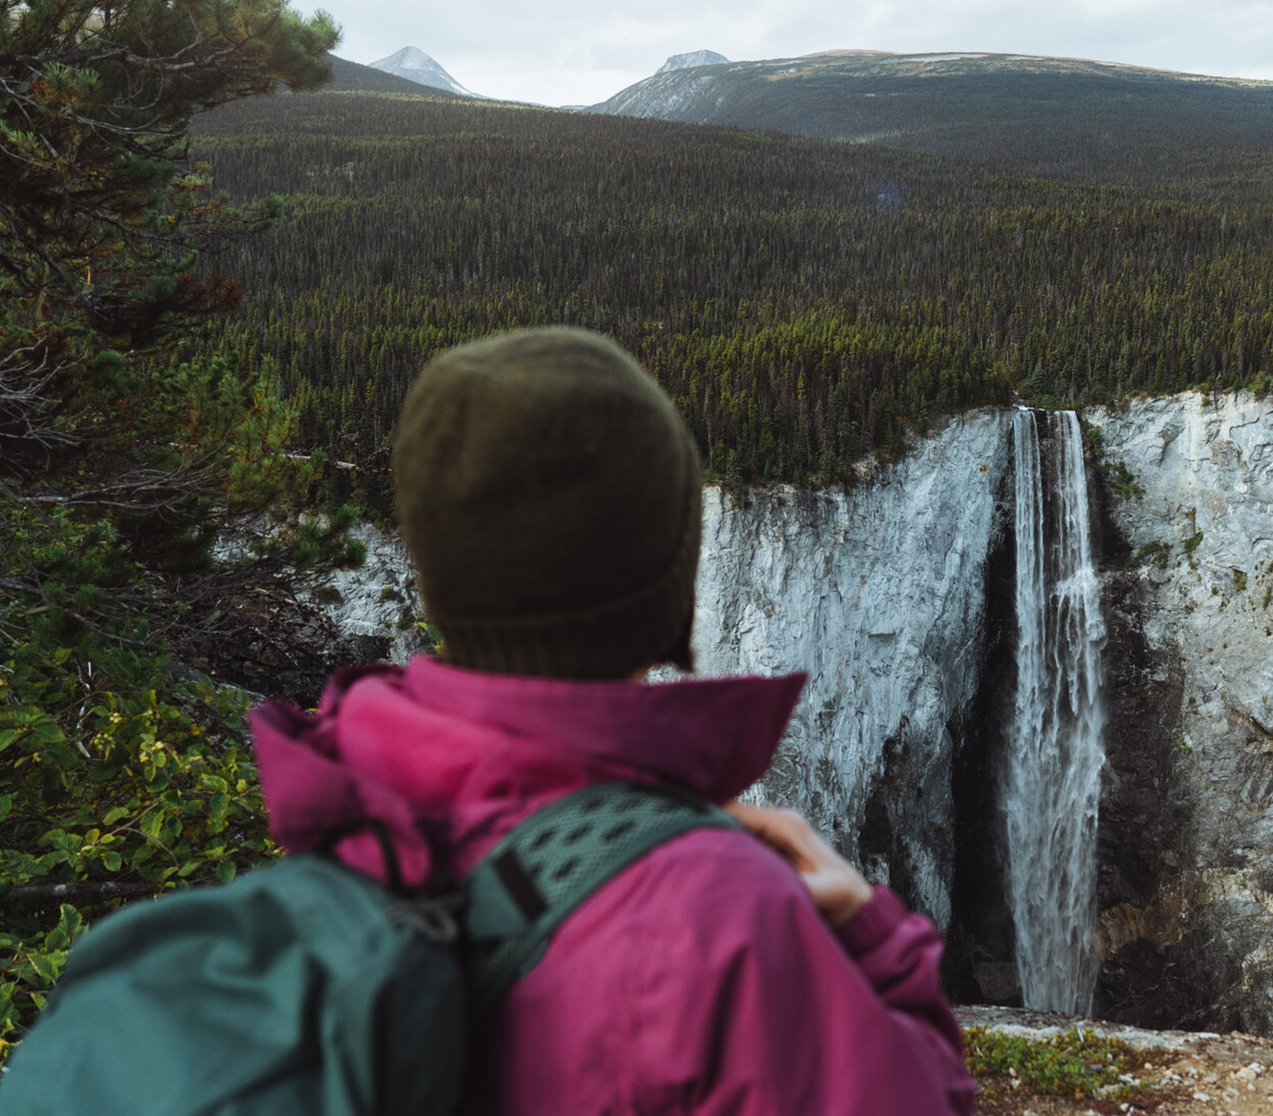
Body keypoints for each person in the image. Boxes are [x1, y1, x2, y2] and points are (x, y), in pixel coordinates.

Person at [247, 327, 977, 1115]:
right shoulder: (718, 926)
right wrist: (877, 938)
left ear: (434, 582)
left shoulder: (338, 834)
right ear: (666, 597)